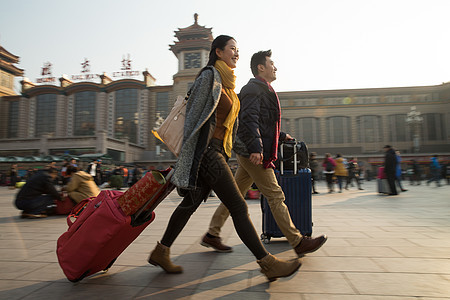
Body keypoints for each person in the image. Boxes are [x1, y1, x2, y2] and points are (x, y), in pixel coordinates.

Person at [148, 36, 301, 282]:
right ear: (218, 52)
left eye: (238, 50)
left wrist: (268, 139)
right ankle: (267, 263)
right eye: (232, 49)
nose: (236, 53)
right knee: (239, 207)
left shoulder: (229, 85)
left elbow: (236, 125)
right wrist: (193, 156)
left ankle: (161, 251)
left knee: (190, 204)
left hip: (219, 151)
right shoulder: (209, 76)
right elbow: (193, 119)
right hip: (208, 152)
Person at [200, 49, 327, 257]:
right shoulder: (253, 89)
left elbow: (264, 122)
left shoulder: (262, 89)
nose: (275, 67)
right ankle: (297, 241)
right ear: (261, 67)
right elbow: (250, 120)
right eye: (272, 63)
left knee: (235, 195)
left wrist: (281, 135)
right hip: (254, 152)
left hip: (252, 150)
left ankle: (212, 234)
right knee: (276, 195)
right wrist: (257, 149)